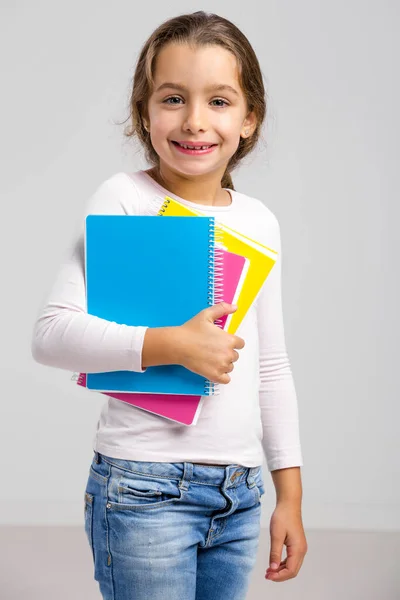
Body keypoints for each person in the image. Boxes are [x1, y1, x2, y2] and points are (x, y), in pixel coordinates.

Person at [31, 10, 307, 600]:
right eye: (174, 98)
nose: (195, 122)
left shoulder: (259, 221)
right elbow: (51, 335)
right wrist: (170, 343)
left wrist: (290, 495)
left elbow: (272, 368)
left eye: (219, 101)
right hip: (143, 489)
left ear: (250, 118)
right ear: (144, 112)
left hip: (240, 493)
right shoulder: (125, 199)